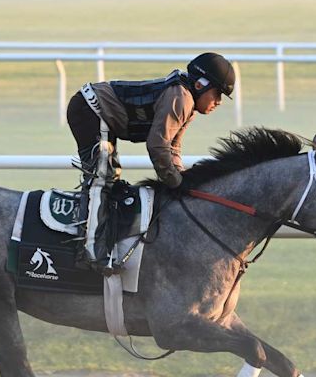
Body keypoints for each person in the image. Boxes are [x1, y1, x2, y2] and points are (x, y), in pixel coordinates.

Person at [67, 52, 236, 271]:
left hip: (100, 114)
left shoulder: (188, 104)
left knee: (111, 178)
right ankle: (91, 253)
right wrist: (176, 183)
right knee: (102, 177)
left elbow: (172, 148)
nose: (219, 102)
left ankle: (102, 238)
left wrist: (182, 181)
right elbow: (157, 146)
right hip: (89, 109)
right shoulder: (181, 98)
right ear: (200, 84)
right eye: (217, 93)